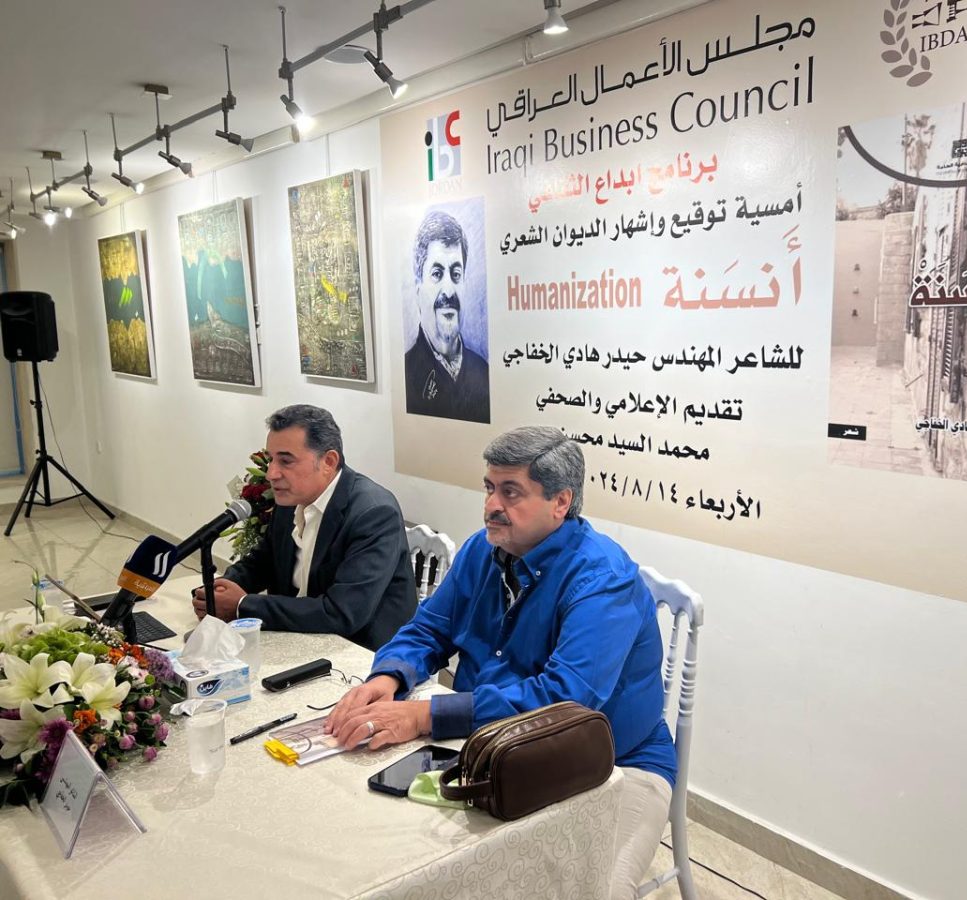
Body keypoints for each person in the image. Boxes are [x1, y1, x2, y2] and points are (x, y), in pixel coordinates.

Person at [325, 426, 674, 898]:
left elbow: (565, 702)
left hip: (611, 763)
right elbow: (429, 628)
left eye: (511, 492)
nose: (491, 504)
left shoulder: (602, 580)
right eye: (489, 487)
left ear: (561, 502)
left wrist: (425, 715)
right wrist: (389, 676)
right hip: (488, 743)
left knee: (596, 891)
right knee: (391, 852)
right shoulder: (482, 549)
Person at [191, 405, 417, 651]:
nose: (271, 473)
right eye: (271, 459)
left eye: (285, 461)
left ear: (328, 462)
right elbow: (263, 562)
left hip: (363, 651)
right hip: (301, 635)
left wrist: (241, 605)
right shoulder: (291, 499)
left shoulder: (374, 513)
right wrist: (218, 591)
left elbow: (342, 613)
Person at [404, 209, 490, 423]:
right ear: (418, 290)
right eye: (437, 274)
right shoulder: (405, 373)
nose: (449, 291)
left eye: (456, 274)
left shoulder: (483, 371)